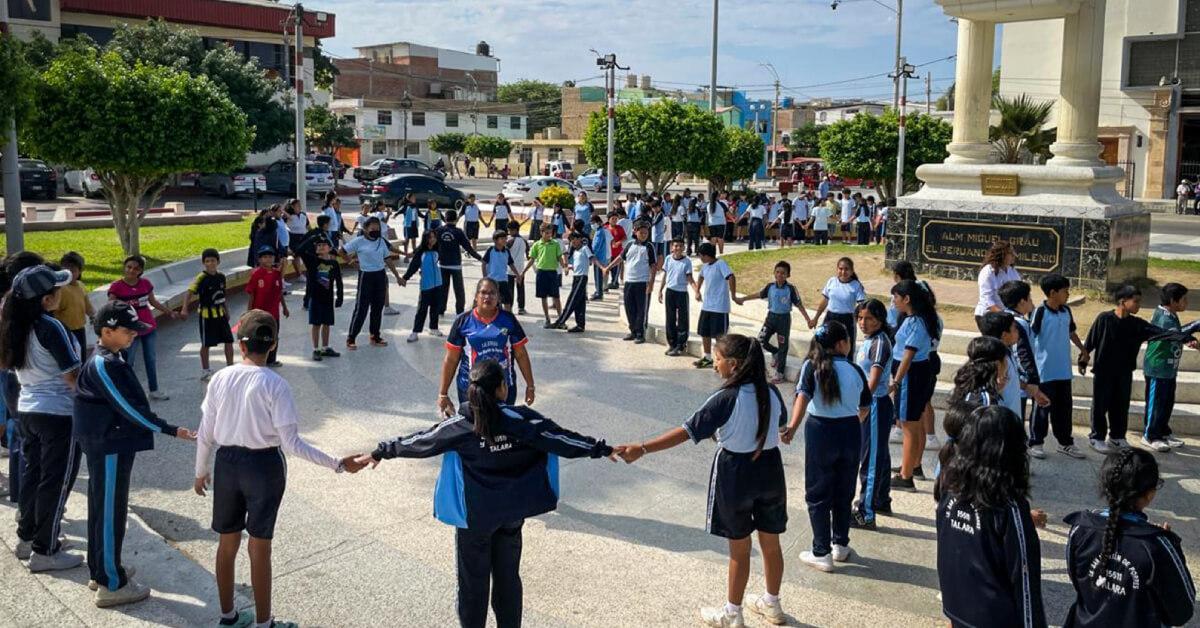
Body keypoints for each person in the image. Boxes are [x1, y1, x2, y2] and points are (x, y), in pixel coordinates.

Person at [365, 358, 618, 628]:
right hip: (512, 513)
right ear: (502, 388)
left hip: (475, 519)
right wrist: (602, 449)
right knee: (508, 580)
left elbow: (421, 441)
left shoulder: (461, 425)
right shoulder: (522, 420)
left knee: (472, 586)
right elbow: (561, 439)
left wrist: (382, 451)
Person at [194, 310, 365, 628]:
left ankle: (228, 617)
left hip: (226, 465)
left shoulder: (220, 378)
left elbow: (206, 432)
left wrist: (200, 471)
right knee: (260, 545)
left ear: (240, 345)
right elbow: (292, 444)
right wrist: (337, 464)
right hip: (264, 468)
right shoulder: (276, 385)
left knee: (227, 542)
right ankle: (263, 623)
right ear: (272, 345)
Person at [616, 334, 789, 628]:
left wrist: (642, 448)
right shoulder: (771, 392)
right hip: (770, 469)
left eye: (718, 359)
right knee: (771, 542)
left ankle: (732, 614)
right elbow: (779, 424)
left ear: (733, 365)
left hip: (736, 473)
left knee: (740, 547)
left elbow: (687, 431)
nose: (715, 365)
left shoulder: (725, 397)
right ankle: (772, 604)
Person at [73, 301, 197, 607]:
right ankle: (111, 584)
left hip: (107, 442)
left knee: (103, 507)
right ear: (107, 331)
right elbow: (127, 408)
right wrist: (169, 429)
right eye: (128, 331)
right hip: (109, 445)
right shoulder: (105, 364)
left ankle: (101, 568)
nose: (132, 336)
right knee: (111, 512)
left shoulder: (110, 355)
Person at [0, 265, 84, 571]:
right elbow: (73, 376)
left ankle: (27, 536)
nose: (62, 291)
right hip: (58, 414)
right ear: (47, 300)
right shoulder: (51, 327)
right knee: (57, 481)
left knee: (33, 475)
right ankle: (45, 550)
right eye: (57, 289)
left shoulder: (13, 325)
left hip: (27, 409)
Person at [936, 405, 1046, 628]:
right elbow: (1025, 578)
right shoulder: (1009, 507)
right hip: (994, 617)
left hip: (956, 608)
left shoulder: (951, 488)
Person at [1063, 448, 1195, 627]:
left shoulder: (1080, 528)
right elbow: (1182, 611)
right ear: (1149, 494)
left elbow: (1077, 581)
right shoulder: (1157, 545)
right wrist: (1171, 546)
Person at [782, 320, 870, 573]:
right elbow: (864, 406)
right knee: (844, 490)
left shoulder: (811, 366)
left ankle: (821, 551)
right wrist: (851, 420)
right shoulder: (855, 370)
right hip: (851, 431)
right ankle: (840, 544)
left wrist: (792, 427)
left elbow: (803, 397)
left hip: (821, 430)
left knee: (818, 492)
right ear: (842, 344)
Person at [1081, 285, 1197, 454]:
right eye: (1135, 301)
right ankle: (1097, 437)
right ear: (1122, 302)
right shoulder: (1104, 319)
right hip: (1104, 371)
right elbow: (1091, 341)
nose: (1138, 305)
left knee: (1121, 405)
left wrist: (1186, 337)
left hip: (1124, 372)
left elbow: (1162, 333)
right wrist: (1083, 360)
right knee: (1100, 405)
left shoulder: (1137, 324)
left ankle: (1117, 437)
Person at [438, 278, 535, 414]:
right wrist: (443, 394)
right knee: (475, 430)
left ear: (498, 297)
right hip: (471, 390)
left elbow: (521, 354)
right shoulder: (462, 321)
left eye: (492, 293)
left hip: (503, 389)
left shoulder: (508, 320)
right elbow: (451, 360)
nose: (487, 297)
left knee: (502, 430)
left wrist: (530, 386)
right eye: (483, 292)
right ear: (476, 296)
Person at [1029, 273, 1088, 459]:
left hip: (1063, 371)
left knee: (1064, 409)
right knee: (1042, 408)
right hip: (1044, 371)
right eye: (1065, 291)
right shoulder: (1039, 312)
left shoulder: (1066, 311)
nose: (1068, 294)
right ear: (1052, 293)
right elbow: (1031, 338)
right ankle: (1036, 442)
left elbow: (1071, 332)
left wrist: (1083, 349)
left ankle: (1065, 443)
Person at [888, 279, 939, 492]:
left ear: (907, 299)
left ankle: (906, 476)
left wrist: (896, 381)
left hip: (911, 374)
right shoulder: (915, 319)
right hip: (916, 372)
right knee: (914, 423)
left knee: (908, 424)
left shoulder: (917, 322)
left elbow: (908, 354)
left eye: (896, 298)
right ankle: (913, 465)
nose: (894, 302)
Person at [108, 255, 182, 401]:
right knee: (128, 360)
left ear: (141, 270)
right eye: (129, 267)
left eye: (136, 268)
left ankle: (154, 390)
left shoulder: (145, 284)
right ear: (124, 267)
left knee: (150, 359)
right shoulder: (116, 287)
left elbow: (153, 302)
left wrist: (169, 312)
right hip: (129, 331)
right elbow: (111, 308)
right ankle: (126, 392)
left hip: (148, 327)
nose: (131, 270)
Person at [1141, 283, 1200, 451]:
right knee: (1156, 403)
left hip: (1169, 369)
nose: (1186, 303)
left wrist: (1192, 329)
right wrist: (1193, 330)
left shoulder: (1171, 314)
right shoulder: (1164, 316)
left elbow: (1180, 332)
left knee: (1167, 403)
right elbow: (1176, 334)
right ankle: (1150, 435)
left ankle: (1163, 432)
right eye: (1184, 299)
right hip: (1157, 368)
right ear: (1173, 301)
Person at [734, 261, 813, 383]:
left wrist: (808, 320)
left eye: (783, 273)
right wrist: (743, 299)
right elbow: (758, 295)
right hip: (770, 318)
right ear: (774, 273)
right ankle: (774, 352)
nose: (780, 275)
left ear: (788, 275)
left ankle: (780, 373)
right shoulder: (770, 286)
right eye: (777, 272)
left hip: (784, 320)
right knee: (761, 339)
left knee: (783, 346)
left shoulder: (791, 289)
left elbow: (799, 304)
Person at [851, 299, 893, 529]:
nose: (863, 323)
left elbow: (874, 379)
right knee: (879, 454)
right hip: (872, 403)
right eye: (860, 318)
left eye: (868, 318)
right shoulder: (870, 341)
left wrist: (863, 405)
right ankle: (880, 499)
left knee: (871, 459)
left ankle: (866, 513)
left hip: (875, 405)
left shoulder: (880, 343)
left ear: (880, 319)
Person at [341, 216, 403, 350]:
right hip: (366, 277)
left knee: (377, 308)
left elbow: (388, 259)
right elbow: (342, 251)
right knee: (361, 309)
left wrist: (398, 276)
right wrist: (351, 262)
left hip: (380, 276)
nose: (376, 230)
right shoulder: (358, 242)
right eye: (373, 228)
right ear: (365, 229)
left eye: (378, 228)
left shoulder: (381, 241)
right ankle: (351, 338)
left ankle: (375, 336)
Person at [180, 248, 235, 380]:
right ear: (203, 263)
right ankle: (205, 370)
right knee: (206, 343)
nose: (211, 263)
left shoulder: (221, 277)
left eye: (213, 260)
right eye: (207, 261)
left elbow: (223, 295)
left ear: (218, 261)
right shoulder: (201, 278)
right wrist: (184, 308)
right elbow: (189, 292)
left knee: (229, 340)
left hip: (220, 314)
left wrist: (226, 310)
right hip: (207, 316)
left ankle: (230, 367)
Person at [605, 221, 658, 343]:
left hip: (642, 282)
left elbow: (653, 266)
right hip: (629, 281)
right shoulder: (629, 245)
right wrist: (609, 267)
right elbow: (620, 258)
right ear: (635, 232)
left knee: (641, 309)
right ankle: (633, 331)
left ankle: (640, 333)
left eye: (646, 233)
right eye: (641, 232)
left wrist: (651, 284)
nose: (644, 234)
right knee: (629, 308)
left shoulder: (649, 247)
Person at [693, 242, 736, 369]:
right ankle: (707, 358)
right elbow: (700, 277)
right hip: (707, 305)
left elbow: (731, 277)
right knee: (704, 332)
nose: (700, 258)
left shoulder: (721, 264)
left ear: (707, 255)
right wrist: (697, 290)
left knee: (720, 337)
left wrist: (733, 295)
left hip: (719, 307)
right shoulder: (705, 266)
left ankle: (722, 361)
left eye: (701, 255)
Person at [435, 210, 484, 318]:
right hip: (455, 265)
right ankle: (460, 312)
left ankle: (440, 310)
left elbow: (431, 246)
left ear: (445, 219)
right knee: (459, 290)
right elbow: (468, 247)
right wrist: (480, 258)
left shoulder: (438, 230)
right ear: (456, 219)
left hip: (442, 264)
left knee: (443, 289)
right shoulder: (458, 232)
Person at [811, 257, 867, 352]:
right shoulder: (831, 281)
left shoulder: (856, 285)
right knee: (823, 345)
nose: (843, 272)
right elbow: (824, 301)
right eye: (841, 269)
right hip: (830, 318)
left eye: (846, 269)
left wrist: (861, 322)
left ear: (852, 271)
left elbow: (861, 306)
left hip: (847, 320)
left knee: (846, 350)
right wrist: (815, 318)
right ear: (837, 269)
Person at [245, 248, 289, 367]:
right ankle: (257, 359)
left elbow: (279, 292)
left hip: (274, 313)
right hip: (259, 313)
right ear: (259, 260)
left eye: (270, 256)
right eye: (264, 257)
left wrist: (285, 307)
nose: (268, 259)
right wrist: (249, 312)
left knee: (274, 336)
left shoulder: (277, 274)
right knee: (259, 336)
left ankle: (271, 359)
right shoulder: (256, 274)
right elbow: (251, 294)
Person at [551, 231, 601, 333]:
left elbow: (592, 258)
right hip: (576, 277)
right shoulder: (575, 252)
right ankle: (580, 325)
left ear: (579, 239)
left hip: (582, 278)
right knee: (580, 303)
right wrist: (569, 267)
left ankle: (560, 321)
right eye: (571, 240)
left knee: (572, 300)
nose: (573, 242)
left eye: (574, 239)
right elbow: (578, 265)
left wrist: (602, 268)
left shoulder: (585, 248)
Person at [400, 230, 445, 342]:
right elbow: (413, 266)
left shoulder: (437, 250)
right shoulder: (421, 253)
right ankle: (415, 332)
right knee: (422, 309)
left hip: (438, 283)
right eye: (430, 237)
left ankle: (433, 328)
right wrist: (405, 278)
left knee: (435, 307)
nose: (433, 239)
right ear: (426, 239)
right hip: (426, 285)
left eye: (434, 237)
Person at [520, 224, 566, 329]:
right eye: (546, 233)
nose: (549, 235)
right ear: (541, 233)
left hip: (552, 272)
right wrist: (524, 271)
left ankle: (561, 319)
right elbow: (532, 260)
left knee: (556, 296)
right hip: (541, 273)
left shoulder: (555, 244)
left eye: (550, 233)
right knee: (543, 297)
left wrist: (564, 267)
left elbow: (559, 257)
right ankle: (547, 319)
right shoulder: (537, 245)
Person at [303, 239, 343, 360]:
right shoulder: (312, 261)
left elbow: (339, 281)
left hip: (328, 298)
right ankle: (316, 349)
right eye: (318, 245)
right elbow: (300, 250)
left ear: (330, 248)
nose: (320, 247)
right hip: (315, 297)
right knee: (316, 324)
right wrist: (311, 236)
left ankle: (325, 347)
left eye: (323, 245)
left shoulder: (334, 264)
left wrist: (340, 296)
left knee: (327, 323)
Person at [658, 238, 696, 357]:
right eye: (675, 246)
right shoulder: (669, 258)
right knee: (670, 318)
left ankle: (681, 344)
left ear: (684, 248)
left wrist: (696, 290)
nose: (678, 248)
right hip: (670, 291)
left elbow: (689, 277)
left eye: (680, 246)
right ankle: (672, 343)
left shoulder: (687, 261)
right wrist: (660, 290)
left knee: (682, 319)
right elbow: (665, 275)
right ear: (671, 247)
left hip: (682, 292)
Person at [974, 241, 1021, 331]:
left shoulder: (1012, 271)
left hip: (1006, 315)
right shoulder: (988, 272)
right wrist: (1005, 314)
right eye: (1010, 253)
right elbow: (987, 300)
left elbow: (1019, 291)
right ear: (1001, 255)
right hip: (987, 317)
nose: (1014, 255)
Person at [54, 252, 94, 351]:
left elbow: (88, 307)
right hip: (63, 331)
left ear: (80, 271)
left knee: (82, 356)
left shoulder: (81, 286)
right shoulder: (59, 289)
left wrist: (95, 316)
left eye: (73, 269)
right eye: (65, 269)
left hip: (80, 329)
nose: (69, 272)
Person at [480, 231, 520, 312]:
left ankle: (508, 318)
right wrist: (485, 277)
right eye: (502, 238)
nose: (505, 240)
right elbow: (484, 263)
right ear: (495, 240)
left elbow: (511, 264)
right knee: (493, 302)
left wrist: (517, 275)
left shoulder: (507, 251)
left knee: (507, 301)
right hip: (492, 280)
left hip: (503, 280)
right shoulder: (490, 250)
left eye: (505, 238)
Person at [505, 221, 529, 315]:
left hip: (510, 269)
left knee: (510, 289)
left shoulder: (510, 241)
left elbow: (504, 252)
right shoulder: (524, 241)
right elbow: (528, 255)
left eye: (509, 230)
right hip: (521, 269)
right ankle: (521, 308)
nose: (508, 232)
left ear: (514, 230)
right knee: (521, 288)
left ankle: (509, 307)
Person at [589, 214, 612, 301]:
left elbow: (596, 246)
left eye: (593, 222)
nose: (592, 224)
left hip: (599, 258)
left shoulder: (599, 232)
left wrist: (591, 255)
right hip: (601, 257)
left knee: (598, 276)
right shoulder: (600, 231)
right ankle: (598, 291)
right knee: (598, 275)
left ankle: (599, 293)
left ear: (598, 222)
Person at [684, 191, 703, 256]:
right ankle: (697, 251)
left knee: (689, 239)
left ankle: (688, 251)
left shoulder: (688, 209)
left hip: (689, 225)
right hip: (696, 225)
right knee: (696, 239)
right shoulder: (697, 208)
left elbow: (685, 216)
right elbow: (700, 216)